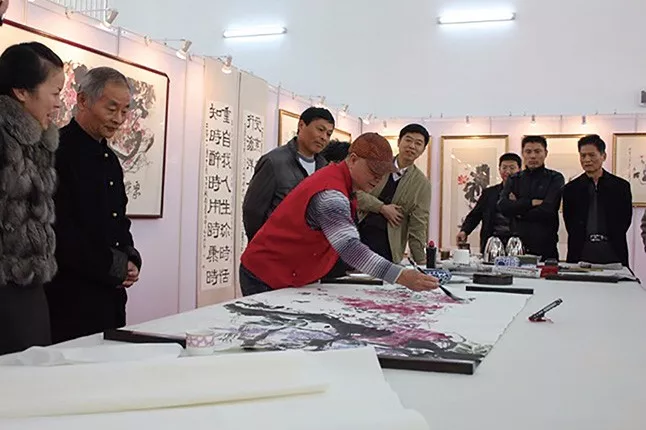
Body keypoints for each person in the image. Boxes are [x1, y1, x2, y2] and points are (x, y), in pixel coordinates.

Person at [239, 133, 439, 296]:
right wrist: (401, 276)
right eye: (373, 170)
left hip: (290, 273)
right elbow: (350, 248)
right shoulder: (331, 194)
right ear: (353, 160)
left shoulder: (344, 183)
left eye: (382, 173)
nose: (378, 178)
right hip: (266, 274)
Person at [45, 67, 142, 344]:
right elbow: (59, 229)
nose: (119, 119)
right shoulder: (57, 152)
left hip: (110, 295)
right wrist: (114, 265)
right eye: (111, 109)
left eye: (125, 111)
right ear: (83, 100)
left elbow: (119, 220)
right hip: (69, 295)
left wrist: (131, 257)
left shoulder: (110, 160)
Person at [0, 42, 64, 354]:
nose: (58, 104)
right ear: (22, 91)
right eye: (54, 93)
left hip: (30, 284)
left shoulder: (38, 142)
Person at [243, 107, 334, 241]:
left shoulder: (324, 168)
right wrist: (263, 244)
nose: (323, 137)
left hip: (305, 248)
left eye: (328, 134)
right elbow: (253, 211)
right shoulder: (274, 161)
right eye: (320, 130)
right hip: (275, 246)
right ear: (301, 125)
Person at [357, 124, 431, 264]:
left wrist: (421, 260)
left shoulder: (422, 184)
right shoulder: (376, 165)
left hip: (388, 247)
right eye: (408, 140)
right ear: (398, 142)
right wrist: (381, 208)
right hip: (357, 234)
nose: (412, 146)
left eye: (418, 143)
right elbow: (355, 194)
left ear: (423, 150)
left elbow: (418, 224)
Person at [563, 135, 632, 266]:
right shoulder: (571, 188)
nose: (587, 160)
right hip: (581, 249)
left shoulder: (620, 186)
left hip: (612, 249)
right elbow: (570, 222)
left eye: (592, 155)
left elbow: (625, 220)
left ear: (603, 156)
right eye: (583, 156)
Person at [497, 136, 565, 260]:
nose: (533, 156)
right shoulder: (514, 179)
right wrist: (531, 203)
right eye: (528, 152)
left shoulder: (555, 178)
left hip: (546, 245)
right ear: (523, 154)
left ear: (545, 153)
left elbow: (548, 209)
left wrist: (517, 210)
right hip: (517, 246)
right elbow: (503, 206)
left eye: (537, 151)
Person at [457, 153, 522, 253]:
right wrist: (464, 231)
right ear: (499, 169)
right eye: (504, 167)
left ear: (520, 170)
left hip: (516, 245)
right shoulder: (489, 193)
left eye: (512, 168)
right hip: (492, 244)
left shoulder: (525, 193)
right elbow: (475, 215)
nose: (508, 171)